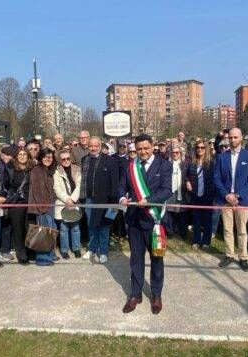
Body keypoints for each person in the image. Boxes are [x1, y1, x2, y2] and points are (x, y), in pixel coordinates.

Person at [118, 133, 172, 315]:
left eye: (146, 148)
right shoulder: (130, 167)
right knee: (136, 259)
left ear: (153, 146)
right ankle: (135, 294)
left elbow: (166, 191)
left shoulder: (164, 165)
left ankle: (156, 295)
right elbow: (121, 186)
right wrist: (121, 197)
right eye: (139, 149)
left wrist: (148, 200)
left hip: (155, 221)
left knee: (157, 258)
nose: (143, 152)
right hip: (134, 221)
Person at [214, 128, 248, 272]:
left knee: (242, 230)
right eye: (230, 137)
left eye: (235, 137)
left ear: (241, 138)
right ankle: (229, 255)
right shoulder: (222, 156)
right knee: (227, 229)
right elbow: (217, 178)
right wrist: (227, 195)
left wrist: (237, 196)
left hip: (242, 200)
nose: (232, 140)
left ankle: (243, 257)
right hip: (225, 198)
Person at [80, 136, 120, 264]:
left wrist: (114, 201)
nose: (93, 148)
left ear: (100, 146)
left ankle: (103, 252)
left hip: (105, 200)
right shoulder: (84, 159)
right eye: (91, 146)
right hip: (89, 199)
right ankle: (92, 248)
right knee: (91, 225)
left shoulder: (110, 161)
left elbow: (115, 182)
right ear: (88, 146)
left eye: (96, 146)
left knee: (103, 226)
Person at [27, 148, 58, 266]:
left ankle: (50, 255)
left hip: (51, 205)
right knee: (43, 232)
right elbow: (36, 190)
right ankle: (42, 259)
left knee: (50, 230)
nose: (48, 159)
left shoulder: (50, 170)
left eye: (50, 157)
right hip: (42, 207)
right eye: (45, 157)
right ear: (41, 157)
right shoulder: (36, 170)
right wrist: (41, 208)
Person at [3, 148, 32, 265]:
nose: (22, 156)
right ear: (16, 157)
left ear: (28, 156)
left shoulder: (32, 169)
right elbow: (5, 185)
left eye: (24, 154)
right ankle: (22, 255)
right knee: (18, 229)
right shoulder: (10, 169)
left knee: (28, 227)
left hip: (30, 201)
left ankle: (30, 251)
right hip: (16, 203)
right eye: (20, 154)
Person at [186, 140, 215, 249]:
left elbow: (215, 179)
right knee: (196, 219)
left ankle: (206, 241)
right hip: (195, 194)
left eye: (202, 147)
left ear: (206, 149)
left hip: (208, 195)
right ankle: (196, 240)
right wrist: (187, 181)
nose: (200, 149)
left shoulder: (212, 162)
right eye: (198, 147)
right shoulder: (192, 162)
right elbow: (187, 175)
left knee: (207, 219)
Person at [53, 149, 82, 259]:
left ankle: (76, 248)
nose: (66, 160)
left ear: (71, 158)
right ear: (60, 160)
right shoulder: (57, 171)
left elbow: (79, 186)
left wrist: (72, 200)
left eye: (68, 158)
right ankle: (64, 250)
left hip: (75, 202)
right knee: (64, 229)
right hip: (62, 203)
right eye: (63, 159)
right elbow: (56, 188)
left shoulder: (77, 169)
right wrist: (67, 200)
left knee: (75, 228)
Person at [163, 145, 188, 237]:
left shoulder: (185, 164)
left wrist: (188, 182)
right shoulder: (166, 164)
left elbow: (188, 176)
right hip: (170, 191)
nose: (175, 154)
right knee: (169, 212)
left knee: (182, 212)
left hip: (182, 191)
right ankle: (170, 232)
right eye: (173, 153)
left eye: (177, 152)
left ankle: (182, 232)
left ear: (180, 154)